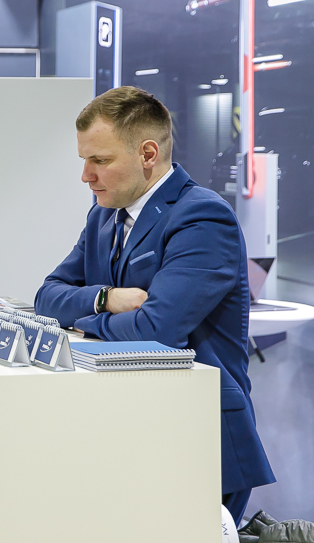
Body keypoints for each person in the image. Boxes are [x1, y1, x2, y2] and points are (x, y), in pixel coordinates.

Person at [34, 86, 276, 525]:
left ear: (148, 154)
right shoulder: (104, 215)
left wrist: (84, 322)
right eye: (84, 160)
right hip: (127, 426)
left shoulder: (202, 217)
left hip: (195, 437)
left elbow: (156, 330)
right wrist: (106, 299)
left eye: (99, 160)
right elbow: (46, 297)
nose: (86, 176)